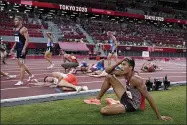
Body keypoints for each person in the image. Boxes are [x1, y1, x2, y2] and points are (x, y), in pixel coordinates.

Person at [84, 57, 172, 121]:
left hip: (132, 105)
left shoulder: (136, 79)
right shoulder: (124, 72)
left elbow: (149, 97)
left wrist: (159, 116)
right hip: (126, 96)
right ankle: (97, 100)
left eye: (124, 65)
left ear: (130, 68)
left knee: (103, 110)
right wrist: (119, 62)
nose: (121, 67)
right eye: (122, 64)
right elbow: (107, 71)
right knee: (109, 77)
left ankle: (119, 106)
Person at [10, 16, 34, 86]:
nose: (14, 21)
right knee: (20, 64)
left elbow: (27, 40)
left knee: (21, 65)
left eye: (16, 20)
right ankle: (31, 75)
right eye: (14, 20)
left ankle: (21, 81)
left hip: (22, 49)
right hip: (18, 49)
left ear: (21, 21)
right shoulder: (16, 29)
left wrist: (24, 49)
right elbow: (16, 41)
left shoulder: (24, 29)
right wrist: (13, 48)